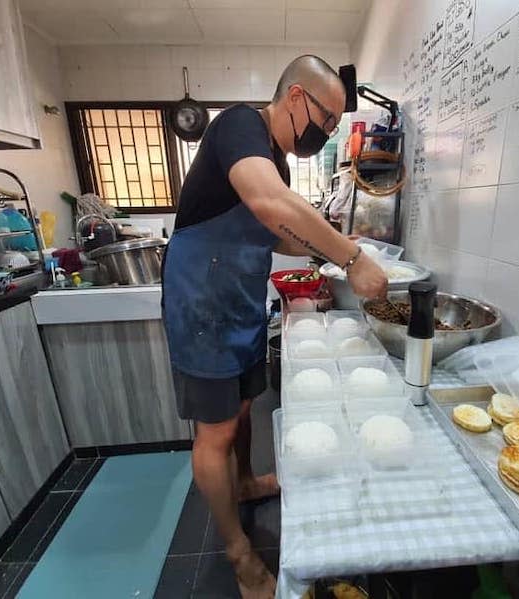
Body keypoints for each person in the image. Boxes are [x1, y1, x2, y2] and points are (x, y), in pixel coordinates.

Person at [162, 55, 388, 598]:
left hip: (239, 301)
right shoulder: (239, 125)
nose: (327, 132)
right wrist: (352, 259)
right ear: (295, 99)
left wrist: (333, 252)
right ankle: (239, 554)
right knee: (214, 432)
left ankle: (243, 483)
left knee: (242, 410)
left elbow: (280, 234)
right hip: (201, 305)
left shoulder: (278, 162)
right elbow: (267, 204)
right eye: (327, 119)